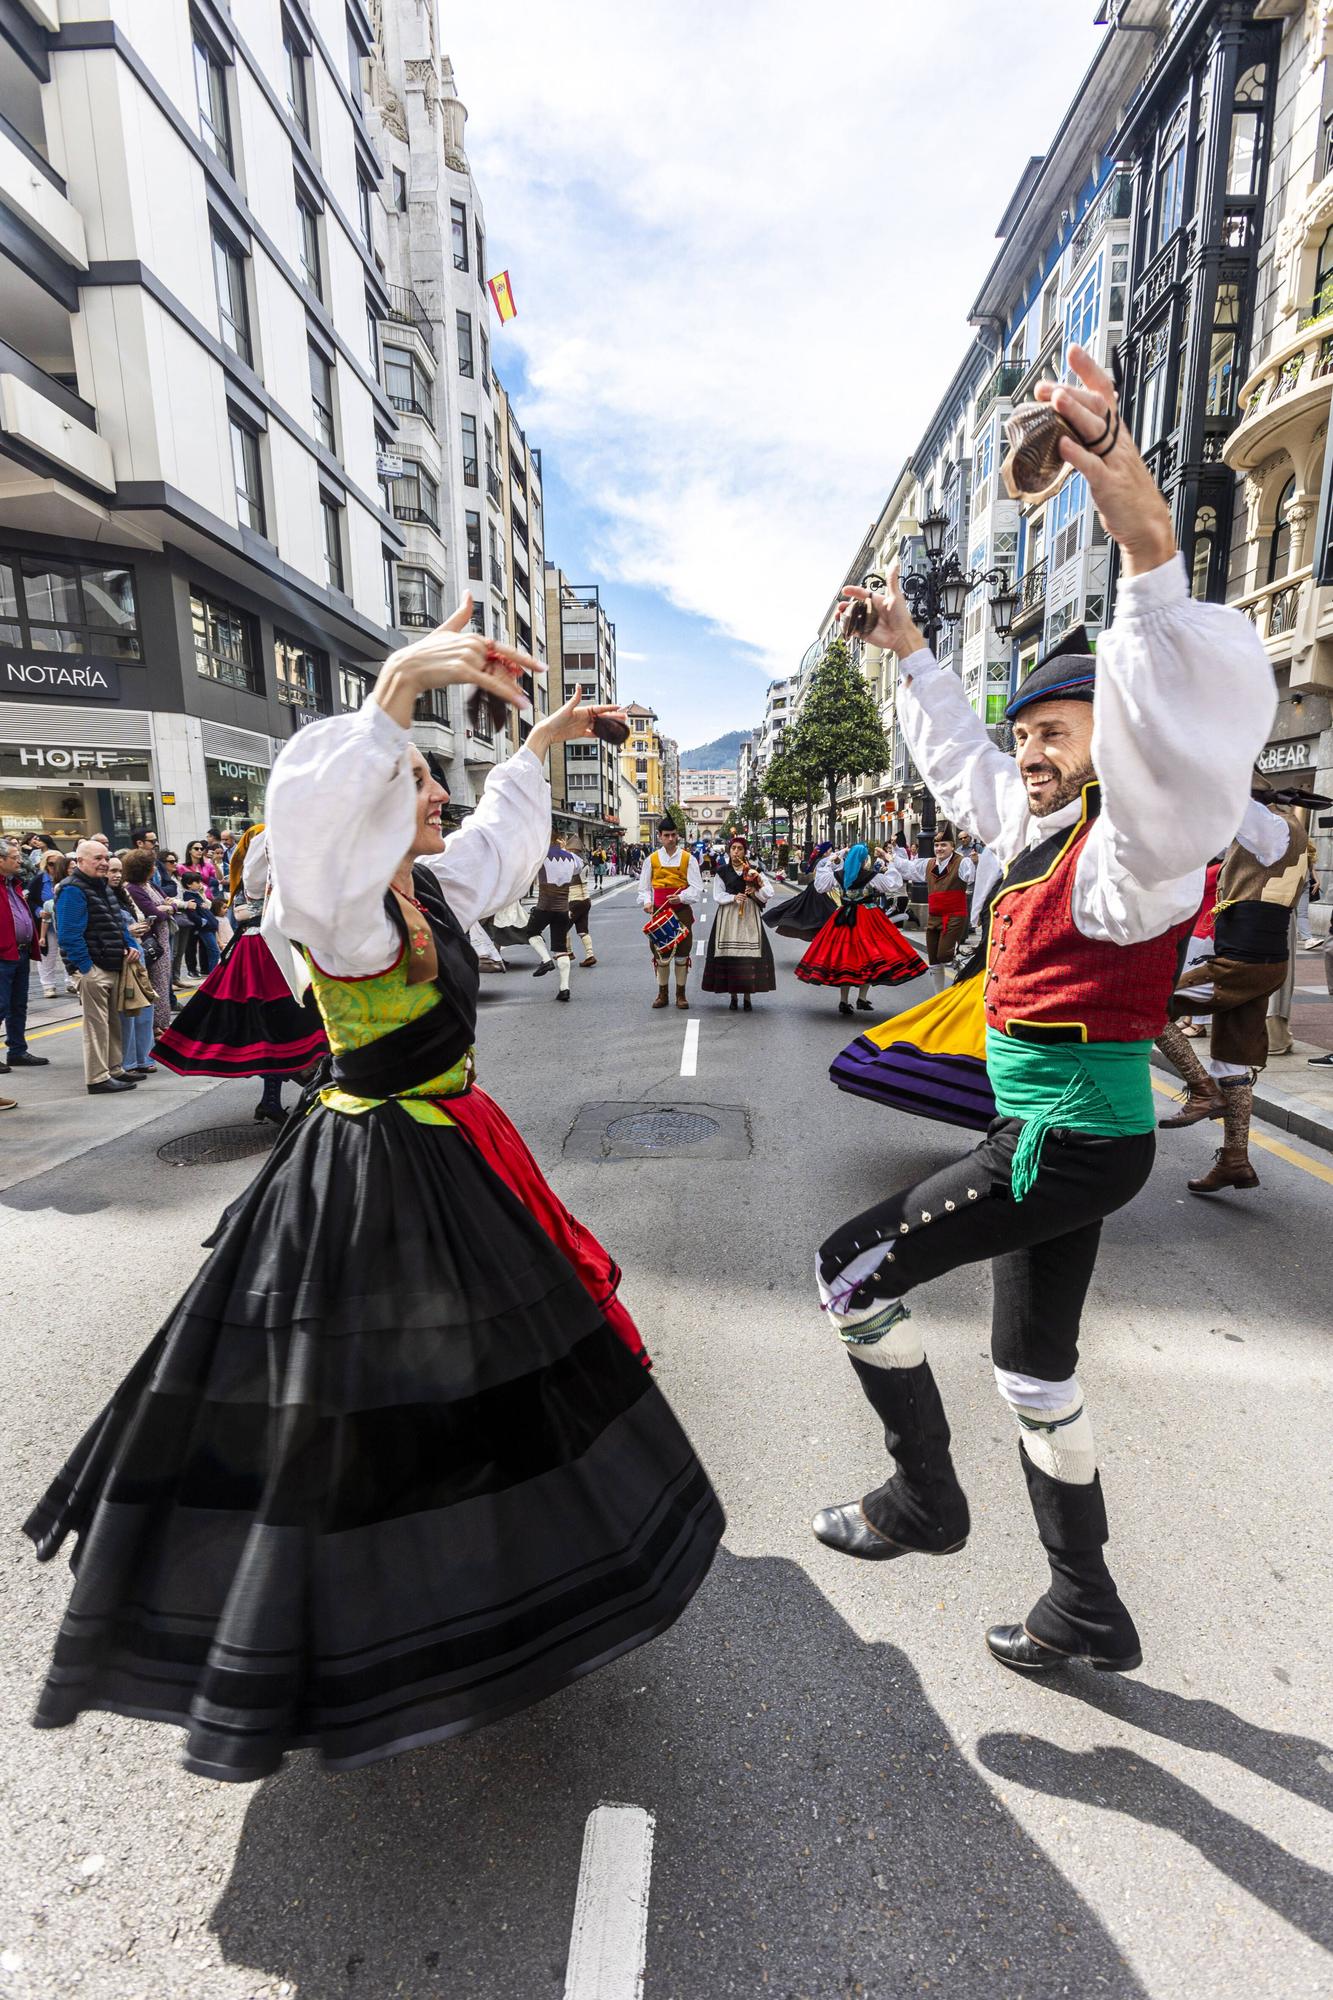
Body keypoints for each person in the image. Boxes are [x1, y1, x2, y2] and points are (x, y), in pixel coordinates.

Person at [24, 602, 721, 1784]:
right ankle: (354, 1618)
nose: (434, 796)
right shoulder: (336, 918)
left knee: (477, 1380)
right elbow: (310, 834)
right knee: (350, 1401)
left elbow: (500, 832)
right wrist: (392, 688)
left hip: (451, 1144)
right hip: (370, 1168)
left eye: (428, 782)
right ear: (368, 805)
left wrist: (539, 740)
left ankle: (486, 1571)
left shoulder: (434, 889)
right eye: (411, 782)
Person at [811, 344, 1273, 1679]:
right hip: (1064, 1146)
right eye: (1032, 726)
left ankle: (922, 1499)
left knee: (845, 1269)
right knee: (1033, 1373)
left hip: (1061, 1143)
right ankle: (1086, 1603)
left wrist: (1132, 516)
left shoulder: (1138, 853)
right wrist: (907, 653)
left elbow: (1158, 684)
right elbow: (961, 758)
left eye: (1065, 727)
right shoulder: (1029, 821)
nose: (1036, 741)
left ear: (1112, 735)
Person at [1155, 778, 1310, 1192]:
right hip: (1259, 961)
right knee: (1234, 1060)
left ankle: (1203, 1089)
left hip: (1242, 963)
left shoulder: (1272, 829)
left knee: (1152, 1007)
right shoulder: (1274, 832)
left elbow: (1233, 803)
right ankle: (1236, 1161)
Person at [155, 824, 328, 1121]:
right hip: (266, 954)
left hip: (277, 950)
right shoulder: (256, 871)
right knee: (287, 1028)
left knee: (283, 1031)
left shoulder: (259, 873)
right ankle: (302, 1089)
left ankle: (283, 1096)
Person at [794, 843, 924, 1015]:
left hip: (844, 917)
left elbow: (820, 884)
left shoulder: (839, 875)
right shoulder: (871, 876)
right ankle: (862, 998)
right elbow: (892, 884)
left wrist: (830, 861)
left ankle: (843, 1001)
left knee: (845, 959)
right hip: (868, 917)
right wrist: (891, 863)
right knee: (870, 958)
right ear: (864, 861)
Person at [54, 839, 142, 1094]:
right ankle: (97, 1077)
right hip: (93, 968)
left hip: (110, 963)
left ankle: (113, 1069)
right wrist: (86, 968)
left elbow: (115, 921)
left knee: (112, 1022)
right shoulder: (72, 889)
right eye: (97, 858)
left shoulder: (100, 886)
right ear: (80, 862)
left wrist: (127, 943)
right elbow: (69, 934)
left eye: (106, 857)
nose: (104, 863)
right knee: (96, 1026)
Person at [701, 833, 777, 1010]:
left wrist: (755, 888)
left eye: (740, 849)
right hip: (728, 914)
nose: (736, 851)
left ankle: (748, 996)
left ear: (745, 852)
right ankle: (733, 996)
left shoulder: (753, 870)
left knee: (749, 955)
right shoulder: (722, 871)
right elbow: (718, 895)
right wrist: (734, 897)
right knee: (730, 953)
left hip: (749, 915)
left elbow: (768, 892)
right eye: (733, 848)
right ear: (729, 850)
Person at [895, 827, 976, 991]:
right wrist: (889, 856)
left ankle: (965, 969)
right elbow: (909, 868)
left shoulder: (962, 862)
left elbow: (972, 876)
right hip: (934, 915)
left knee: (944, 955)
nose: (939, 848)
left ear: (952, 846)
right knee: (933, 959)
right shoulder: (929, 863)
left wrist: (975, 862)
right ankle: (938, 996)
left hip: (954, 915)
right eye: (937, 845)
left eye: (943, 845)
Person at [638, 819, 703, 1010]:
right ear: (659, 837)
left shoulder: (688, 858)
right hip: (659, 912)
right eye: (666, 835)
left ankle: (680, 995)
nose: (671, 839)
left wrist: (682, 897)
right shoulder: (651, 859)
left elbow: (697, 888)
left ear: (678, 835)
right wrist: (647, 902)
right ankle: (662, 994)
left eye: (674, 835)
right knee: (661, 954)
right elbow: (644, 888)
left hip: (681, 912)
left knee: (682, 954)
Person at [1, 837, 46, 1077]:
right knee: (1, 1005)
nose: (20, 860)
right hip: (3, 954)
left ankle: (17, 1050)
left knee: (18, 1004)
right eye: (14, 857)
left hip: (20, 951)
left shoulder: (14, 883)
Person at [121, 848, 175, 1043]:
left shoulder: (150, 885)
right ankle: (156, 1026)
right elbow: (156, 912)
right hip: (151, 940)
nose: (154, 868)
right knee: (155, 982)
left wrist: (168, 907)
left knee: (163, 980)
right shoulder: (133, 888)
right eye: (151, 866)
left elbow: (171, 904)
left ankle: (162, 1023)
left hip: (163, 937)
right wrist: (167, 908)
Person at [522, 841, 580, 1001]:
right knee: (561, 948)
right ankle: (564, 988)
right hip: (562, 909)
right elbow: (578, 870)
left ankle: (546, 960)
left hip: (544, 906)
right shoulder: (572, 857)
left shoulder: (541, 856)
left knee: (531, 932)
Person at [763, 840, 837, 940]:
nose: (832, 853)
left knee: (821, 916)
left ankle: (824, 938)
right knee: (825, 915)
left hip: (819, 891)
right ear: (824, 853)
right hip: (818, 892)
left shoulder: (823, 860)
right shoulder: (822, 862)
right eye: (830, 851)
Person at [28, 850, 76, 999]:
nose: (54, 867)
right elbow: (30, 900)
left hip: (66, 921)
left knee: (70, 952)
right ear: (45, 864)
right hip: (46, 922)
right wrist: (38, 911)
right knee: (48, 954)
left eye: (57, 863)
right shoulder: (38, 880)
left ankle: (72, 981)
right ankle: (48, 985)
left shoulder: (70, 878)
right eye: (50, 863)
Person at [566, 842, 597, 966]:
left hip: (574, 899)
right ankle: (590, 955)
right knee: (582, 929)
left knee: (562, 927)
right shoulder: (585, 863)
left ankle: (568, 952)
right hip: (586, 899)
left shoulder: (572, 864)